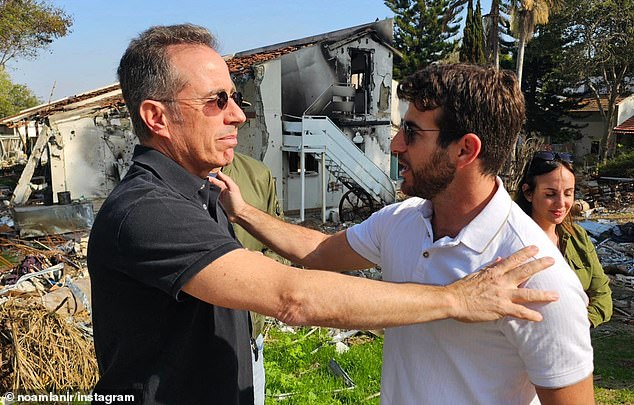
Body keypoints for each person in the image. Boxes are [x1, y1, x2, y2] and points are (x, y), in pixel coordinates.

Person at [87, 24, 557, 404]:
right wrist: (456, 299)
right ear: (156, 117)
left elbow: (318, 249)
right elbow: (291, 295)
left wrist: (247, 213)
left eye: (235, 98)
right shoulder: (146, 210)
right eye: (217, 101)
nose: (239, 116)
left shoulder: (203, 189)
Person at [212, 63, 594, 404]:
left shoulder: (536, 278)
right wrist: (244, 212)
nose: (395, 145)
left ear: (464, 150)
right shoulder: (403, 219)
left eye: (410, 133)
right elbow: (321, 251)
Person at [219, 152, 289, 405]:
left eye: (240, 110)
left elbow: (281, 248)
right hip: (192, 350)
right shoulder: (163, 189)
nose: (235, 118)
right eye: (217, 108)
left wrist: (251, 271)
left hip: (250, 343)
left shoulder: (258, 176)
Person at [515, 151, 613, 327]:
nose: (561, 203)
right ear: (528, 193)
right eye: (550, 194)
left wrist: (582, 322)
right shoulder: (513, 242)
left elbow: (602, 293)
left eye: (568, 193)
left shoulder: (578, 238)